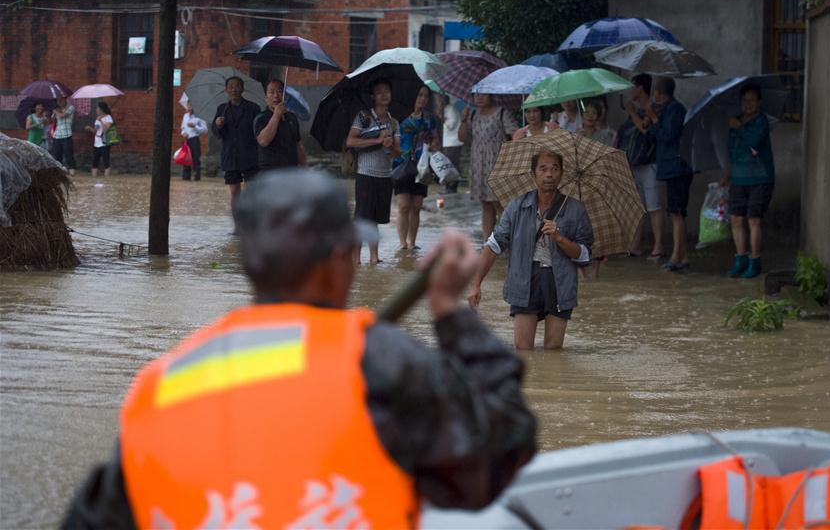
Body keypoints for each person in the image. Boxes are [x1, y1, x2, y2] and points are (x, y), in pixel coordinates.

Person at [61, 169, 537, 530]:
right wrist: (449, 311)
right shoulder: (381, 362)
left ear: (248, 263)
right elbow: (501, 448)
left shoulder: (156, 387)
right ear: (337, 261)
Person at [468, 150, 594, 350]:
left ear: (561, 174)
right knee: (523, 349)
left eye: (554, 169)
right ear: (533, 174)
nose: (549, 174)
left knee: (553, 351)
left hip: (559, 282)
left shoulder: (575, 209)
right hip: (524, 279)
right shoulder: (517, 206)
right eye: (543, 169)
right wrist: (476, 284)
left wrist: (559, 238)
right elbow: (494, 245)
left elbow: (584, 254)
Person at [635, 77, 692, 272]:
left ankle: (676, 256)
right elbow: (652, 134)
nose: (653, 97)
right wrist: (649, 119)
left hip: (678, 167)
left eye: (654, 93)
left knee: (677, 214)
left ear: (659, 93)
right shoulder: (664, 110)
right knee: (675, 213)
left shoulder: (675, 109)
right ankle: (682, 256)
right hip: (669, 167)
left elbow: (668, 135)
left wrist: (655, 118)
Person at [721, 83, 774, 279]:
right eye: (744, 100)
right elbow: (732, 151)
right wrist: (727, 174)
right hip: (738, 178)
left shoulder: (762, 121)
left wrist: (740, 126)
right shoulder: (735, 123)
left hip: (760, 177)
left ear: (758, 102)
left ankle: (755, 261)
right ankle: (740, 259)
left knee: (753, 220)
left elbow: (753, 140)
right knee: (735, 219)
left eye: (752, 100)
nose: (748, 104)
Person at [345, 78, 397, 265]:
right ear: (373, 97)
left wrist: (390, 145)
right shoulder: (363, 117)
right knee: (361, 216)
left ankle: (374, 256)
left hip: (385, 175)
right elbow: (350, 142)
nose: (384, 94)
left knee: (374, 217)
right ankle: (356, 257)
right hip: (366, 174)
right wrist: (376, 141)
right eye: (379, 91)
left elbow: (398, 152)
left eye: (387, 91)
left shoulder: (394, 122)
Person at [458, 93, 518, 243]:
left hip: (498, 162)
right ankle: (488, 242)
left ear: (491, 95)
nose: (479, 97)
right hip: (479, 164)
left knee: (499, 203)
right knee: (485, 203)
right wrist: (463, 120)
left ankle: (508, 240)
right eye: (476, 94)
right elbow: (464, 138)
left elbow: (515, 135)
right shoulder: (472, 114)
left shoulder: (502, 112)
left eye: (483, 94)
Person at [621, 74, 663, 259]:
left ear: (641, 88)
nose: (631, 90)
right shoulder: (638, 109)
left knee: (653, 205)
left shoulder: (653, 108)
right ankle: (635, 245)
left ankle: (658, 246)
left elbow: (646, 130)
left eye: (634, 86)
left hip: (650, 162)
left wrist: (632, 113)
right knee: (638, 206)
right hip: (635, 162)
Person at [212, 76, 261, 232]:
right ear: (226, 90)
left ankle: (251, 223)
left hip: (249, 155)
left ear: (243, 89)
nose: (234, 89)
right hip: (230, 155)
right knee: (234, 192)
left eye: (237, 86)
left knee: (251, 191)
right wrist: (217, 125)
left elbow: (258, 131)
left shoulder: (254, 108)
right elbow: (216, 133)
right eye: (231, 86)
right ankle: (238, 226)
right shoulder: (221, 109)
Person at [393, 85, 437, 250]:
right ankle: (402, 243)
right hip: (402, 164)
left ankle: (412, 242)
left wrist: (431, 145)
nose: (423, 99)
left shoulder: (429, 119)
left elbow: (436, 139)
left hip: (422, 165)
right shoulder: (400, 118)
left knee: (416, 206)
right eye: (420, 95)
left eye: (426, 96)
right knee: (403, 205)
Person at [253, 79, 308, 172]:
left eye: (280, 91)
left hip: (291, 170)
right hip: (270, 172)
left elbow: (298, 144)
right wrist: (276, 115)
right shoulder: (261, 118)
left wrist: (305, 167)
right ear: (266, 98)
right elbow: (263, 141)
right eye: (271, 92)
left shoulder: (292, 118)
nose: (276, 96)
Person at [438, 92, 463, 193]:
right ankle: (448, 186)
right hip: (447, 142)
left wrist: (443, 120)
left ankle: (452, 186)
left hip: (453, 142)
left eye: (440, 100)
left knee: (452, 164)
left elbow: (451, 125)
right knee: (447, 165)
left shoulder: (451, 109)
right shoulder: (445, 110)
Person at [84, 101, 115, 177]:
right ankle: (93, 177)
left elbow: (105, 129)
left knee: (106, 161)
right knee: (95, 161)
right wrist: (90, 128)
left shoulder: (108, 118)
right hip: (97, 142)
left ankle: (107, 178)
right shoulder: (97, 119)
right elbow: (96, 130)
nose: (96, 110)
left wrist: (101, 120)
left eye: (97, 108)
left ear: (101, 109)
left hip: (104, 142)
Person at [179, 100, 207, 181]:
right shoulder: (185, 116)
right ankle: (186, 176)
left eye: (191, 105)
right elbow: (182, 128)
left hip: (194, 139)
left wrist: (195, 126)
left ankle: (196, 176)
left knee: (195, 157)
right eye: (188, 105)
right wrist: (183, 133)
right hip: (186, 139)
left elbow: (204, 130)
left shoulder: (199, 116)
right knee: (186, 157)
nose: (190, 107)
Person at [52, 96, 77, 175]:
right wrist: (53, 113)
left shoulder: (70, 107)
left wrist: (56, 112)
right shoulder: (57, 109)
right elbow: (53, 119)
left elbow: (62, 115)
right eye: (58, 100)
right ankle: (59, 171)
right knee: (57, 154)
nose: (59, 102)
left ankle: (72, 171)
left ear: (65, 99)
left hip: (67, 134)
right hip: (57, 135)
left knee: (68, 153)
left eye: (61, 100)